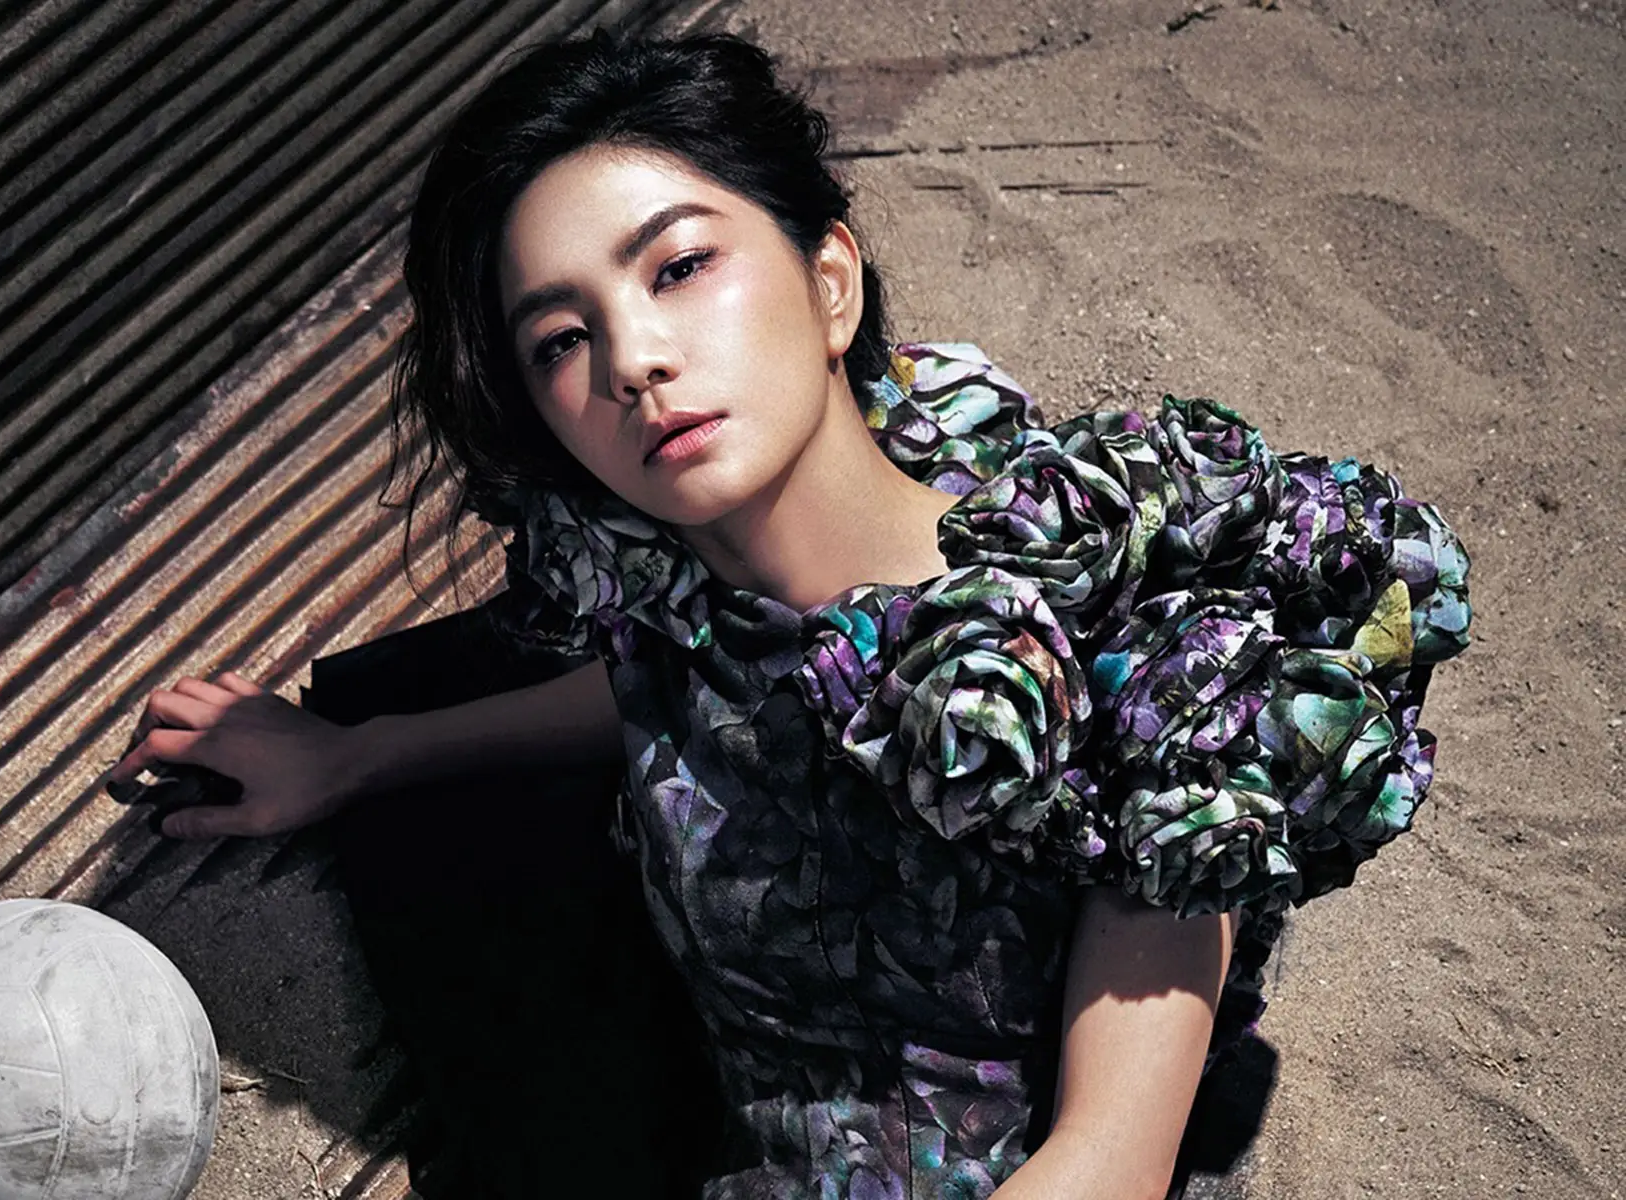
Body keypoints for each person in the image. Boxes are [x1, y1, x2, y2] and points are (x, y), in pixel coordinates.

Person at [101, 27, 1472, 1200]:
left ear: (830, 283)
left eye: (678, 267)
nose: (633, 359)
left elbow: (1103, 1165)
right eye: (561, 338)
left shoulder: (1127, 657)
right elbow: (668, 683)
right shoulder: (674, 594)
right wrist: (361, 757)